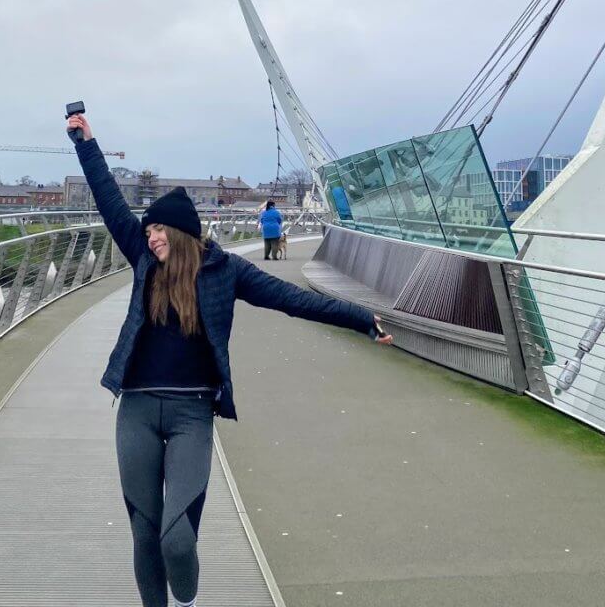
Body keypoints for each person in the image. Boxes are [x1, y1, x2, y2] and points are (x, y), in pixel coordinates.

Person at [66, 111, 393, 607]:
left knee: (177, 541)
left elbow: (293, 299)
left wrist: (361, 318)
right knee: (143, 534)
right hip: (135, 407)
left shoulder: (225, 271)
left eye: (159, 231)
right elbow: (109, 197)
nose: (150, 236)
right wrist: (86, 144)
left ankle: (188, 600)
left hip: (192, 412)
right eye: (148, 229)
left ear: (182, 235)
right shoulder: (140, 259)